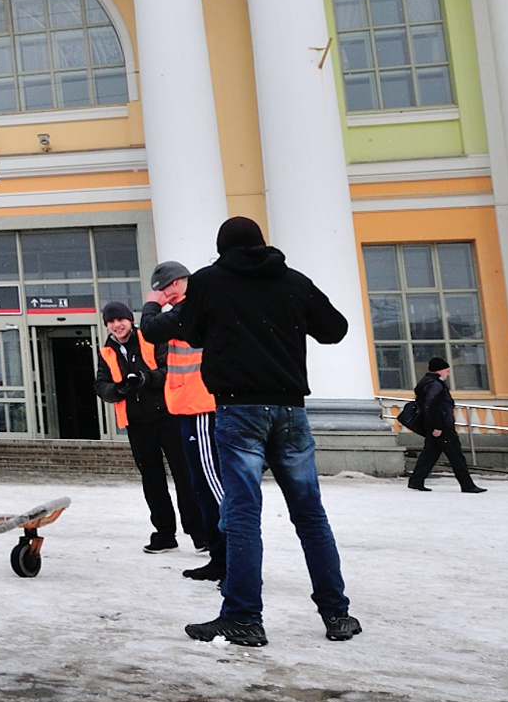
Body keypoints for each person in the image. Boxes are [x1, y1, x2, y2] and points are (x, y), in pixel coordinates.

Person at [145, 216, 358, 647]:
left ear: (222, 249)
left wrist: (163, 307)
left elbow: (180, 330)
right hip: (290, 411)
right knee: (310, 514)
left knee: (242, 513)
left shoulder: (211, 282)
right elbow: (335, 329)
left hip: (239, 410)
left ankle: (243, 617)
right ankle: (337, 613)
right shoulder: (293, 281)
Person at [142, 262, 225, 582]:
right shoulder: (184, 310)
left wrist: (151, 303)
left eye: (162, 288)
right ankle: (218, 556)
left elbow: (148, 328)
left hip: (202, 406)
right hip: (187, 407)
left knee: (212, 485)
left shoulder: (192, 309)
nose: (160, 294)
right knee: (200, 488)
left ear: (176, 284)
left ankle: (231, 556)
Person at [95, 301, 181, 552]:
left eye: (120, 319)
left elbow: (170, 370)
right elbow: (101, 385)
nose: (116, 325)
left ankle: (200, 533)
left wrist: (147, 379)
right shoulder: (107, 351)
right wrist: (118, 389)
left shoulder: (150, 339)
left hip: (168, 416)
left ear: (130, 320)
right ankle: (165, 534)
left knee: (185, 476)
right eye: (110, 322)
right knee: (152, 481)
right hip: (136, 423)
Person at [401, 356, 484, 494]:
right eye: (447, 370)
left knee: (429, 455)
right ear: (440, 371)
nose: (448, 373)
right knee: (456, 456)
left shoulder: (429, 383)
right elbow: (431, 406)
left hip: (436, 427)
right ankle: (467, 485)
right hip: (442, 427)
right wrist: (437, 427)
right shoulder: (435, 385)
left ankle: (416, 481)